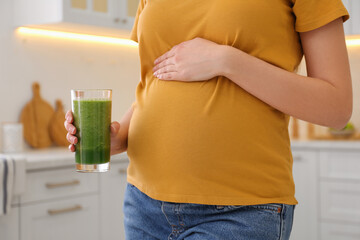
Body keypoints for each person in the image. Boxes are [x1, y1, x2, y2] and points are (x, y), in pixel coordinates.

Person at [64, 0, 353, 239]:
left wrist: (227, 60)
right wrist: (119, 135)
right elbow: (158, 78)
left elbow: (336, 108)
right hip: (144, 204)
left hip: (239, 211)